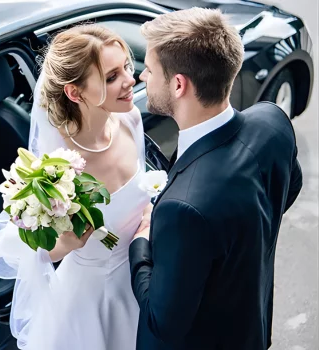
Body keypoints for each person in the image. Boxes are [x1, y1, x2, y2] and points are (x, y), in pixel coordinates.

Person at [129, 8, 303, 350]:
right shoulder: (273, 121)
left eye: (148, 70)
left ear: (178, 84)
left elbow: (161, 322)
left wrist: (141, 242)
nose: (140, 78)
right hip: (251, 326)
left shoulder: (183, 208)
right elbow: (287, 190)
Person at [0, 24, 153, 349]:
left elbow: (142, 191)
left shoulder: (131, 118)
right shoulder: (57, 169)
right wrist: (63, 246)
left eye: (126, 68)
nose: (130, 80)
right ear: (75, 93)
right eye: (111, 77)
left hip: (143, 275)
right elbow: (16, 246)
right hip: (93, 299)